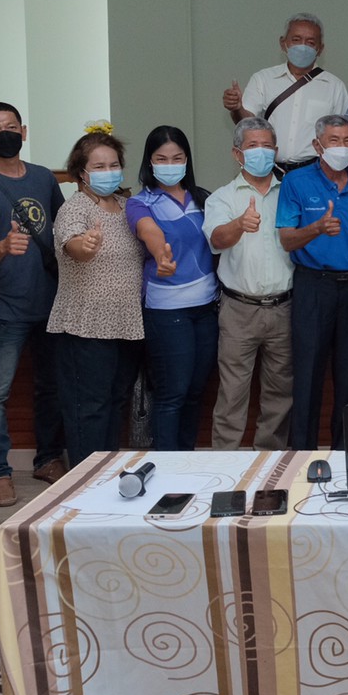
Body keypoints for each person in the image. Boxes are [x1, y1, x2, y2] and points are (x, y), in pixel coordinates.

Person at [0, 101, 67, 508]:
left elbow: (63, 227)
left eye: (10, 126)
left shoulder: (43, 178)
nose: (4, 134)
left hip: (54, 303)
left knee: (51, 386)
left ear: (23, 131)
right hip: (8, 309)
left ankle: (48, 458)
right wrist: (2, 246)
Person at [277, 115, 348, 449]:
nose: (342, 147)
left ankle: (344, 455)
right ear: (317, 145)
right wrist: (316, 229)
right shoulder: (296, 182)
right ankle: (301, 456)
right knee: (308, 375)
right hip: (313, 286)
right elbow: (286, 239)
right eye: (334, 140)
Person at [47, 130, 143, 468]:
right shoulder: (75, 208)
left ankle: (106, 473)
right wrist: (85, 246)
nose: (108, 172)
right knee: (89, 407)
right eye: (99, 166)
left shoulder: (129, 207)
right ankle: (84, 479)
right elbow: (73, 245)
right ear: (81, 172)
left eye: (114, 165)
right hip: (85, 325)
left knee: (116, 401)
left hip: (126, 324)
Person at [202, 117, 295, 450]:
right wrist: (239, 224)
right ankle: (225, 465)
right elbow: (216, 239)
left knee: (280, 394)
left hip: (285, 306)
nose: (261, 152)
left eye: (267, 146)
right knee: (232, 394)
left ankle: (270, 463)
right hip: (239, 309)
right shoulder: (222, 198)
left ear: (276, 151)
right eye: (253, 146)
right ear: (237, 153)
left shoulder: (290, 192)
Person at [128, 126, 219, 451]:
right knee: (172, 394)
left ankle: (186, 461)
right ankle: (166, 466)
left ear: (187, 160)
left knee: (195, 392)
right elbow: (149, 231)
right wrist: (160, 255)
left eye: (177, 158)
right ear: (149, 162)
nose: (170, 164)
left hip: (206, 310)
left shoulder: (204, 198)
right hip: (167, 312)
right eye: (161, 158)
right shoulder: (140, 202)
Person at [222, 12, 348, 178]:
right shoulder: (263, 79)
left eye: (310, 42)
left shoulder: (334, 86)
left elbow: (344, 137)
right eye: (296, 40)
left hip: (315, 175)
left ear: (320, 49)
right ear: (283, 43)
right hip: (269, 172)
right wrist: (237, 108)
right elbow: (247, 125)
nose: (303, 46)